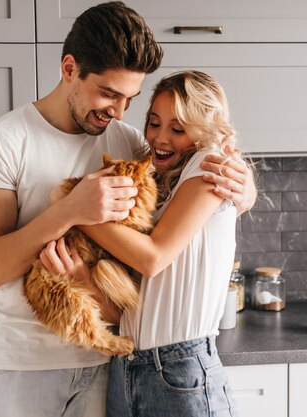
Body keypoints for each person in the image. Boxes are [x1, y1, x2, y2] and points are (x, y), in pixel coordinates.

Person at [0, 2, 255, 416]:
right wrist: (67, 211)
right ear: (70, 69)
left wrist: (243, 193)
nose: (118, 112)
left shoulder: (128, 142)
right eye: (108, 93)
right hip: (27, 366)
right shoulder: (6, 140)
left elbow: (182, 207)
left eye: (129, 99)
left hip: (114, 363)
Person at [41, 70, 245, 417]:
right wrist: (83, 279)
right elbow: (134, 310)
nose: (160, 139)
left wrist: (71, 209)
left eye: (177, 129)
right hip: (129, 367)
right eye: (153, 123)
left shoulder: (211, 166)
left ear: (206, 130)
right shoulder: (162, 185)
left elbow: (153, 258)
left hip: (181, 371)